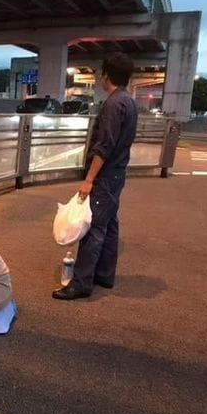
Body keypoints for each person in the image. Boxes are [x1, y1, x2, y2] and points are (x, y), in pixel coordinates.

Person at [52, 52, 138, 300]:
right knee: (109, 224)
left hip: (105, 176)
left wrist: (89, 179)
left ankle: (81, 283)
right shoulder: (128, 101)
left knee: (93, 229)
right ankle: (104, 274)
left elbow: (104, 145)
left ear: (106, 75)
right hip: (117, 174)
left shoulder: (113, 104)